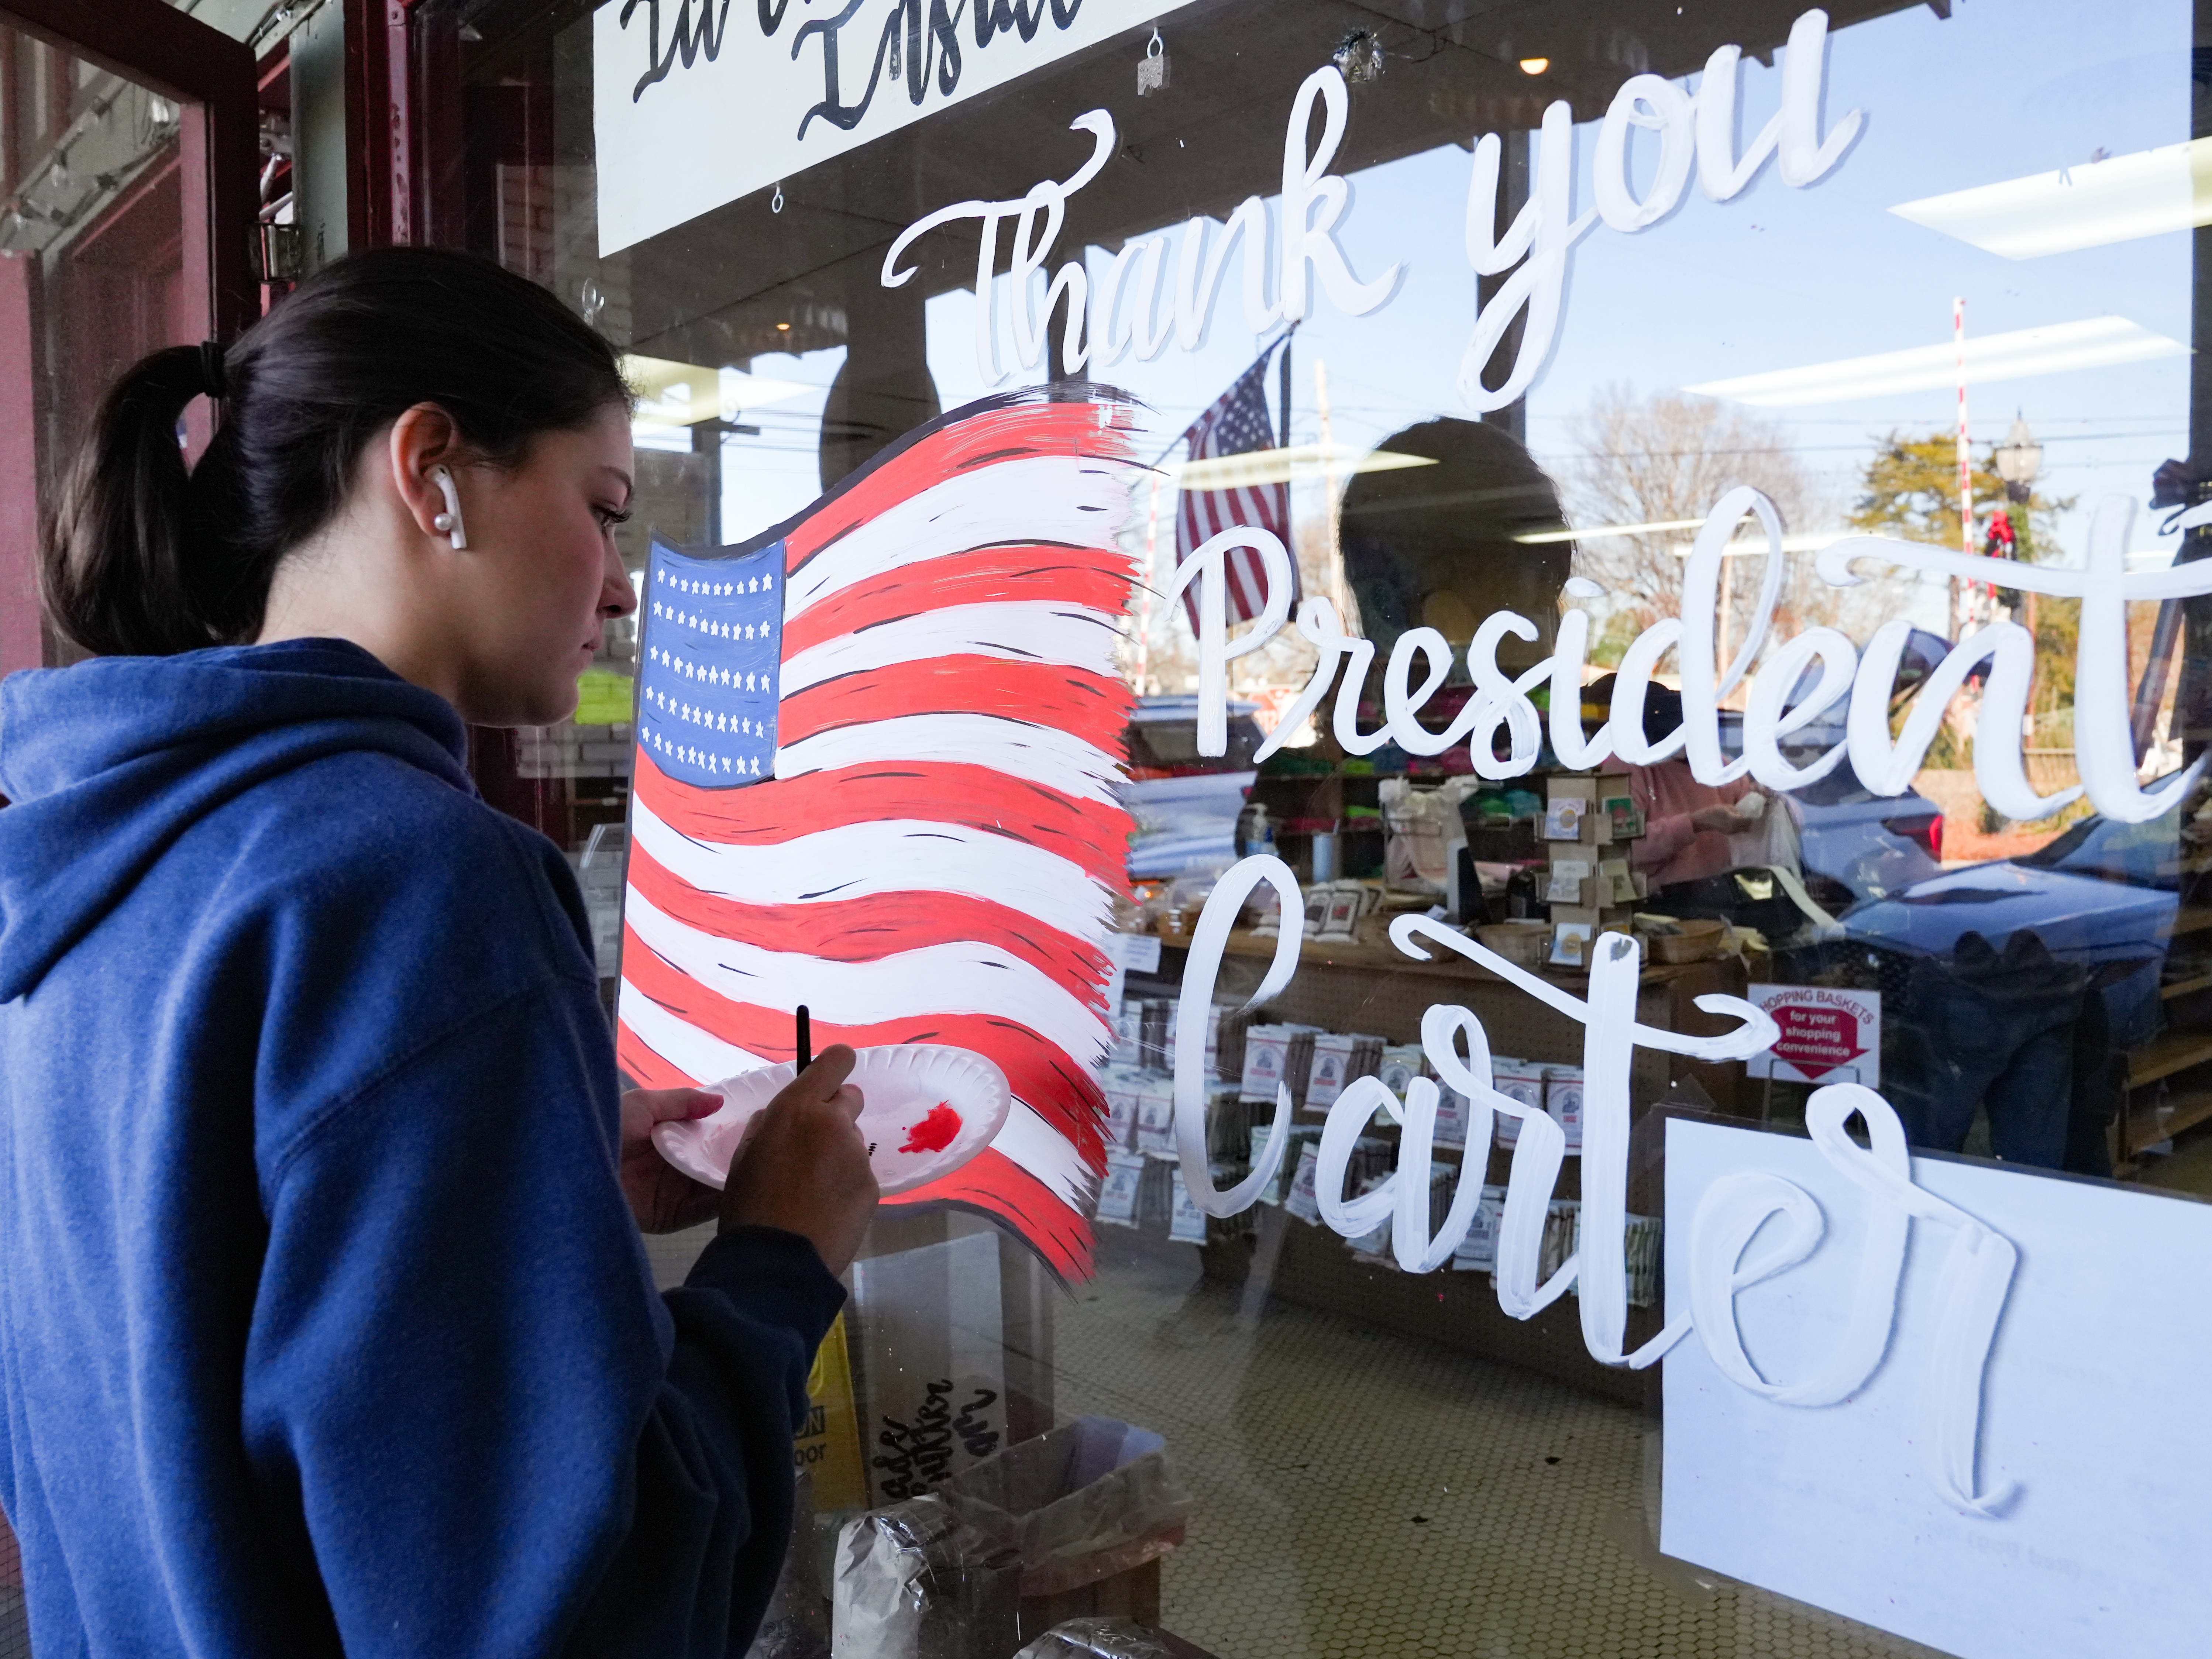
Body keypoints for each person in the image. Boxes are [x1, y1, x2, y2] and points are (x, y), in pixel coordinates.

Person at [0, 248, 879, 1657]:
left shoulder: (96, 860)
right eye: (603, 507)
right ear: (433, 472)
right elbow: (573, 1607)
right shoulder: (421, 882)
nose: (623, 587)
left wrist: (551, 1185)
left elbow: (180, 1332)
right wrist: (781, 1254)